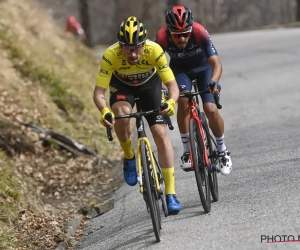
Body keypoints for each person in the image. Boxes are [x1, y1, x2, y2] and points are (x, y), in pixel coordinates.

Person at [93, 16, 182, 214]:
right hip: (124, 87)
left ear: (143, 44)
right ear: (120, 45)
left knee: (160, 133)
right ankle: (129, 156)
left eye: (136, 47)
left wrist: (171, 102)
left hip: (150, 86)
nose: (132, 53)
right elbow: (99, 93)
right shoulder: (111, 54)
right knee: (121, 113)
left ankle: (170, 193)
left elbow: (172, 85)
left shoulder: (154, 50)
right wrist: (104, 111)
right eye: (126, 47)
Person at [155, 5, 232, 175]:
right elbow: (157, 68)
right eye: (176, 35)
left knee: (210, 109)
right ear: (169, 31)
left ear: (191, 29)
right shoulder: (161, 37)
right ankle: (187, 150)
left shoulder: (199, 31)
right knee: (182, 101)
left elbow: (216, 63)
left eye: (185, 34)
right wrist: (163, 90)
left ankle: (222, 150)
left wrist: (214, 81)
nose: (182, 39)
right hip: (180, 71)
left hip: (204, 69)